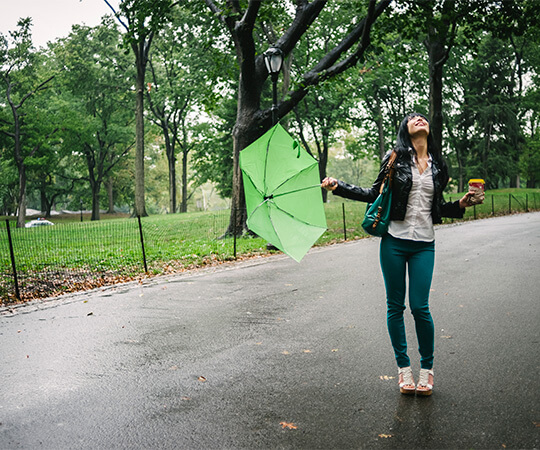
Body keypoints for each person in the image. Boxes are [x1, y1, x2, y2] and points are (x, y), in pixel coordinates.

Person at [322, 112, 481, 396]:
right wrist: (340, 187)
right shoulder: (395, 158)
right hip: (394, 241)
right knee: (395, 306)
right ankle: (404, 369)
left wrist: (462, 203)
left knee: (420, 306)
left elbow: (438, 208)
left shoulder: (438, 165)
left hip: (424, 244)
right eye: (412, 118)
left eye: (422, 117)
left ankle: (427, 370)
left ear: (428, 129)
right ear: (405, 129)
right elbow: (374, 194)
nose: (419, 119)